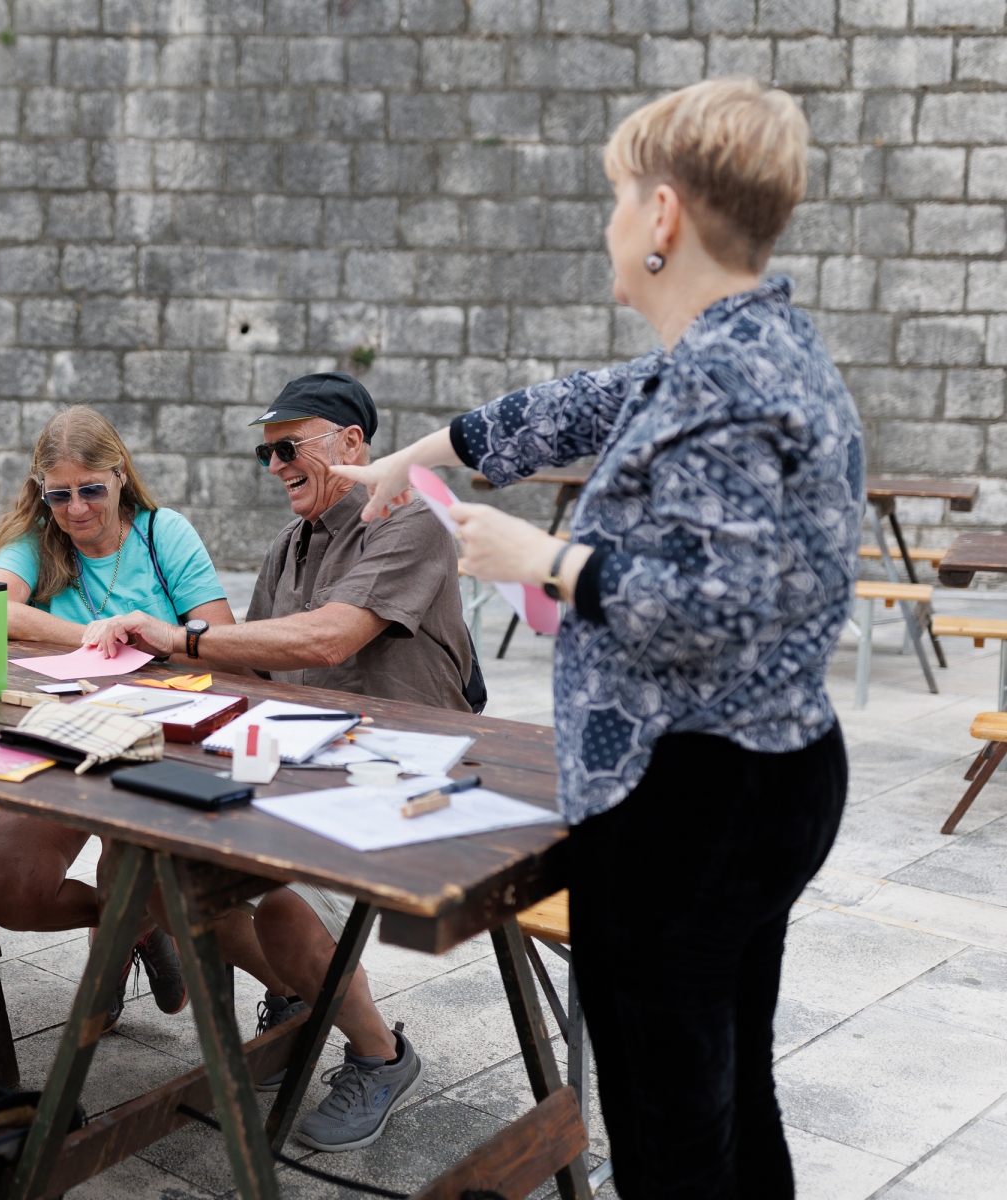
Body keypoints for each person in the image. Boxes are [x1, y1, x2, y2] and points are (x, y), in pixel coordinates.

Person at [336, 79, 858, 1198]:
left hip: (696, 800)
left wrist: (544, 561)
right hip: (757, 776)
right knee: (732, 1097)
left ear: (663, 214)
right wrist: (410, 458)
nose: (609, 221)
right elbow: (571, 407)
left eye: (619, 196)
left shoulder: (724, 375)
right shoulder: (743, 348)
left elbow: (714, 601)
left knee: (671, 1139)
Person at [82, 372, 476, 1153]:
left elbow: (329, 639)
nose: (275, 465)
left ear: (352, 443)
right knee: (144, 867)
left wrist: (182, 637)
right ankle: (298, 1001)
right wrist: (135, 680)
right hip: (303, 764)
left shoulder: (409, 520)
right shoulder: (289, 545)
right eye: (266, 452)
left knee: (287, 913)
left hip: (403, 773)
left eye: (288, 447)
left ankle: (380, 1055)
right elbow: (256, 669)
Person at [0, 405, 236, 1027]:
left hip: (159, 738)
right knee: (10, 895)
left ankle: (117, 941)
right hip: (66, 737)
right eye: (59, 494)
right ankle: (136, 929)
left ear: (120, 475)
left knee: (130, 867)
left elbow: (224, 639)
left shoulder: (161, 533)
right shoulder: (38, 538)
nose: (75, 509)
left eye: (91, 490)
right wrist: (92, 637)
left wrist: (157, 639)